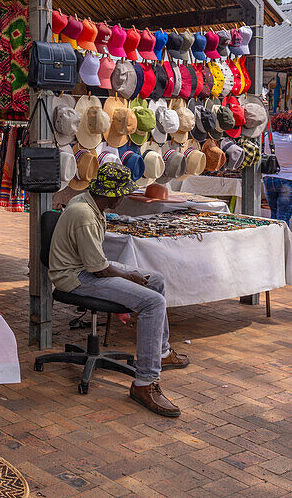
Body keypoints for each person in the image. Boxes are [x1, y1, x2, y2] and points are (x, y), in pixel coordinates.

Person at [47, 162, 190, 417]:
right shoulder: (84, 214)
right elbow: (99, 269)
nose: (125, 196)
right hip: (75, 276)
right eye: (123, 192)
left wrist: (130, 275)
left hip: (85, 266)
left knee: (155, 280)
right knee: (152, 303)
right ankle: (144, 383)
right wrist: (127, 274)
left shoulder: (90, 202)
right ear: (113, 194)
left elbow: (97, 262)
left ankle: (162, 351)